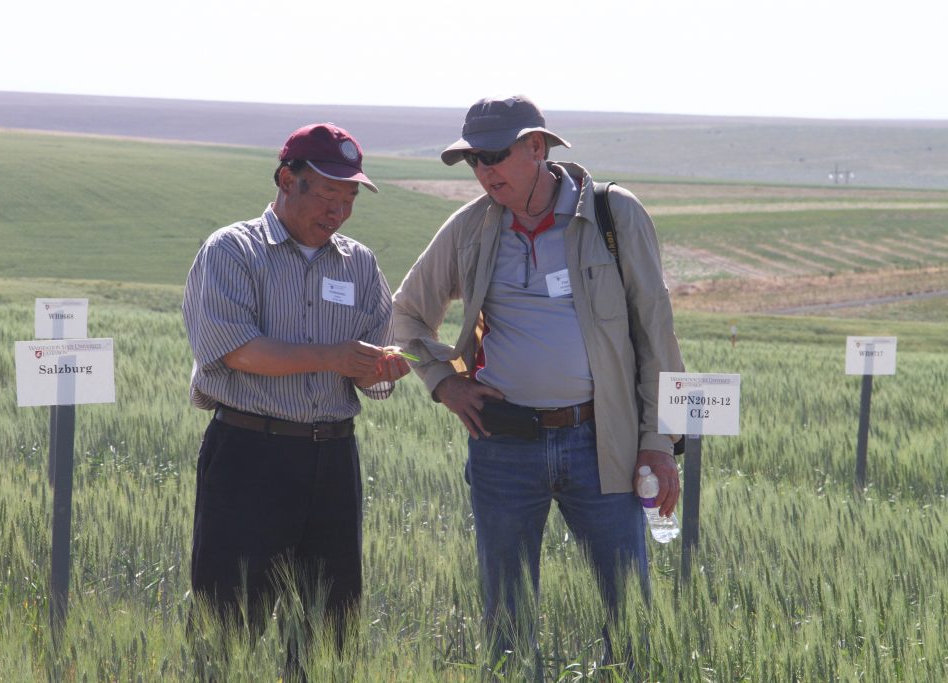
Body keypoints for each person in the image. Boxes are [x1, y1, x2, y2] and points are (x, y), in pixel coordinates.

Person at [392, 95, 685, 671]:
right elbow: (406, 315)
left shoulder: (612, 215)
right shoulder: (471, 227)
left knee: (629, 612)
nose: (483, 172)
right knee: (506, 617)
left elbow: (656, 330)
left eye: (494, 156)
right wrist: (443, 384)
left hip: (601, 442)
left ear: (536, 147)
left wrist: (658, 441)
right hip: (503, 447)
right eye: (472, 160)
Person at [182, 122, 410, 678]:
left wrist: (385, 369)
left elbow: (373, 371)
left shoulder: (359, 264)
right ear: (287, 180)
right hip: (249, 454)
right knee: (228, 622)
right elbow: (233, 348)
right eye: (328, 195)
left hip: (332, 459)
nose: (337, 211)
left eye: (349, 199)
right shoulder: (233, 250)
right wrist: (333, 356)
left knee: (329, 627)